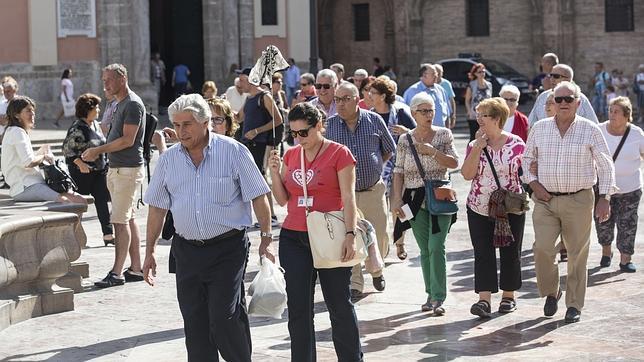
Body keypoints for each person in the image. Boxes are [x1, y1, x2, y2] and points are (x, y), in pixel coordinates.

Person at [142, 94, 273, 362]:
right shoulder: (168, 161)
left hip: (228, 249)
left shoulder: (233, 151)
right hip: (187, 251)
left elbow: (258, 195)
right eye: (176, 125)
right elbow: (157, 208)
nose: (180, 132)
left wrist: (267, 239)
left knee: (224, 318)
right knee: (195, 323)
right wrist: (150, 250)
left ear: (205, 122)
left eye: (187, 124)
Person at [267, 102, 363, 362]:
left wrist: (351, 235)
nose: (299, 139)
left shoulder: (339, 154)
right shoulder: (291, 155)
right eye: (293, 134)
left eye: (304, 132)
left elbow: (349, 197)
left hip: (330, 234)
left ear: (319, 125)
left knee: (339, 305)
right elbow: (282, 200)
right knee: (298, 309)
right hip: (294, 236)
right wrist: (275, 174)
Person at [522, 81, 615, 323]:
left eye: (569, 99)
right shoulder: (540, 128)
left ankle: (574, 305)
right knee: (542, 248)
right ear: (551, 103)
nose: (563, 103)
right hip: (545, 199)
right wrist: (533, 183)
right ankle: (552, 291)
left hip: (579, 199)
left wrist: (605, 197)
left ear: (578, 102)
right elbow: (526, 159)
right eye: (559, 99)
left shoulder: (590, 129)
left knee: (576, 254)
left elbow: (606, 165)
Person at [326, 82, 396, 298]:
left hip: (372, 190)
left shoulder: (373, 120)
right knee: (351, 236)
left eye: (345, 99)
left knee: (381, 235)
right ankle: (356, 283)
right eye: (337, 99)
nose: (340, 104)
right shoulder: (330, 126)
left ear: (358, 100)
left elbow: (389, 149)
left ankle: (376, 269)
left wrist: (374, 167)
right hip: (344, 194)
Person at [391, 92, 459, 314]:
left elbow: (455, 162)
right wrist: (396, 199)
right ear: (413, 113)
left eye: (431, 110)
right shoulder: (405, 139)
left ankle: (439, 297)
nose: (428, 115)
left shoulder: (444, 134)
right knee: (424, 249)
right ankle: (430, 294)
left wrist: (433, 152)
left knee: (436, 245)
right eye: (423, 111)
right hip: (413, 199)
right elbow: (398, 171)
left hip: (440, 196)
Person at [82, 64, 146, 288]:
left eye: (109, 80)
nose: (105, 84)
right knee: (127, 219)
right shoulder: (119, 104)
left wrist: (97, 151)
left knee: (119, 222)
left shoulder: (132, 104)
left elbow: (128, 140)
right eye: (103, 80)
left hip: (127, 170)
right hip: (120, 168)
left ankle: (117, 272)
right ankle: (136, 268)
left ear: (122, 79)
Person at [461, 97, 526, 318]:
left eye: (483, 115)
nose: (478, 119)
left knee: (511, 251)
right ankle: (484, 300)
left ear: (497, 118)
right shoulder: (474, 144)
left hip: (509, 208)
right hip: (478, 206)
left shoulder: (517, 144)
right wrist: (478, 147)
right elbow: (467, 174)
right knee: (483, 253)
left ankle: (508, 296)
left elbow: (526, 173)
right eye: (477, 114)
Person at [1, 96, 86, 204]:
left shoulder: (13, 131)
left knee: (79, 200)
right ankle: (73, 221)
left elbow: (23, 160)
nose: (32, 114)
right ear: (16, 115)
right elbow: (29, 162)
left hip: (29, 185)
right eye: (28, 111)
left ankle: (76, 222)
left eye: (33, 110)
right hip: (26, 186)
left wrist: (40, 153)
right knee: (67, 202)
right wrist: (44, 157)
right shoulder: (17, 132)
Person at [370, 77, 417, 260]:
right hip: (376, 170)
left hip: (400, 170)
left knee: (399, 207)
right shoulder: (369, 115)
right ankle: (382, 246)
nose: (369, 95)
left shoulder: (400, 113)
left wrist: (406, 131)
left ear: (382, 96)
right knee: (379, 211)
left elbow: (418, 133)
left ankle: (400, 242)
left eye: (373, 93)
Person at [596, 97, 643, 272]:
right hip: (604, 188)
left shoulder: (637, 134)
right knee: (603, 223)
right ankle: (606, 253)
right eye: (610, 110)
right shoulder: (599, 130)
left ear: (626, 115)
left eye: (616, 112)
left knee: (628, 224)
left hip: (630, 188)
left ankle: (625, 259)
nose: (612, 114)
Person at [62, 93, 114, 245]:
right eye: (96, 107)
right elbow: (67, 150)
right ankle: (73, 237)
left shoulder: (96, 125)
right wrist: (80, 164)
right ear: (87, 109)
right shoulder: (77, 127)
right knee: (79, 206)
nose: (98, 110)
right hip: (82, 174)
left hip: (99, 171)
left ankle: (108, 235)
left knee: (102, 202)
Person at [527, 64, 598, 126]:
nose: (552, 79)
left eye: (556, 76)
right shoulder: (542, 96)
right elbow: (531, 123)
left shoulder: (580, 99)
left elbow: (593, 125)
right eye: (550, 76)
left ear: (568, 79)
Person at [464, 63, 492, 142]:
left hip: (487, 115)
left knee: (486, 136)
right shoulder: (472, 85)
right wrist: (469, 111)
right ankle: (470, 153)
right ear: (475, 73)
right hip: (474, 115)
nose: (482, 74)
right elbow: (467, 100)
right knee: (474, 137)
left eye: (483, 71)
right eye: (480, 72)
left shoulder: (489, 85)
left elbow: (490, 100)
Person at [434, 64, 457, 129]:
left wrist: (453, 115)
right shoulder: (429, 84)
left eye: (440, 72)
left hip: (446, 114)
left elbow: (451, 99)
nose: (438, 75)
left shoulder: (446, 84)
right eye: (436, 72)